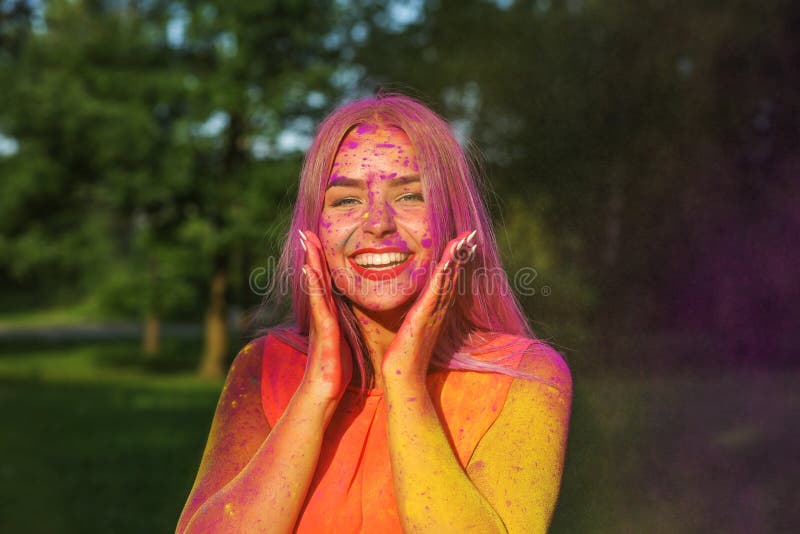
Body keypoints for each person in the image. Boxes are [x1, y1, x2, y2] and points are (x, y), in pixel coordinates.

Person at [176, 94, 572, 533]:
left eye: (410, 195)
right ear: (313, 228)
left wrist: (404, 381)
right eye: (345, 201)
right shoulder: (263, 369)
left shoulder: (525, 378)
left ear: (454, 220)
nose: (378, 223)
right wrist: (318, 390)